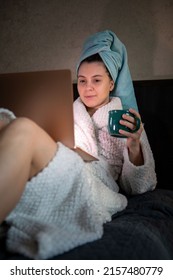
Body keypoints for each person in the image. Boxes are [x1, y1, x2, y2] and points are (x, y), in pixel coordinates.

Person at [0, 30, 157, 259]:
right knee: (4, 122)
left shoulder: (126, 120)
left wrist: (134, 146)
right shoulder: (65, 110)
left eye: (96, 80)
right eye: (82, 81)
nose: (88, 87)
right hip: (56, 162)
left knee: (22, 127)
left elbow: (141, 186)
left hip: (92, 181)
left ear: (111, 82)